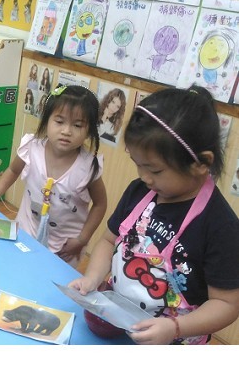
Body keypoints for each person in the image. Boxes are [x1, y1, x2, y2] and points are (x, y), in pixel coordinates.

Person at [69, 86, 239, 345]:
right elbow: (107, 241)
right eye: (138, 164)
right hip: (121, 324)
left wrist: (175, 327)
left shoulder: (220, 226)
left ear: (201, 163)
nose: (144, 177)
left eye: (155, 170)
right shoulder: (139, 191)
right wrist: (92, 278)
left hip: (172, 340)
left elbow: (226, 304)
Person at [0, 85, 107, 267]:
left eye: (77, 125)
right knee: (19, 270)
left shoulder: (88, 167)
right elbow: (12, 170)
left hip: (66, 247)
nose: (66, 131)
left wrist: (82, 239)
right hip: (26, 230)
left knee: (55, 281)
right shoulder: (31, 148)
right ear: (47, 120)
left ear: (89, 130)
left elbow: (100, 204)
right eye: (59, 121)